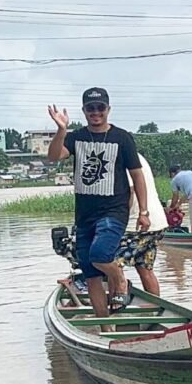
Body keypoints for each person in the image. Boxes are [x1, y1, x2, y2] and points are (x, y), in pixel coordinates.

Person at [47, 87, 150, 323]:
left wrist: (143, 212)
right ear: (84, 111)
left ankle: (119, 278)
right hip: (85, 215)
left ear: (108, 109)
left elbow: (137, 175)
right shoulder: (76, 137)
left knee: (100, 255)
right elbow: (53, 156)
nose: (96, 112)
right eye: (90, 108)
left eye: (100, 108)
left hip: (114, 210)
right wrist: (61, 130)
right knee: (91, 275)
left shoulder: (122, 138)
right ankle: (105, 327)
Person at [115, 153, 168, 296]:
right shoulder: (137, 156)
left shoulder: (122, 157)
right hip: (156, 223)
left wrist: (118, 219)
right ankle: (156, 305)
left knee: (110, 262)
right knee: (145, 269)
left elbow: (130, 191)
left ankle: (119, 293)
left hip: (137, 224)